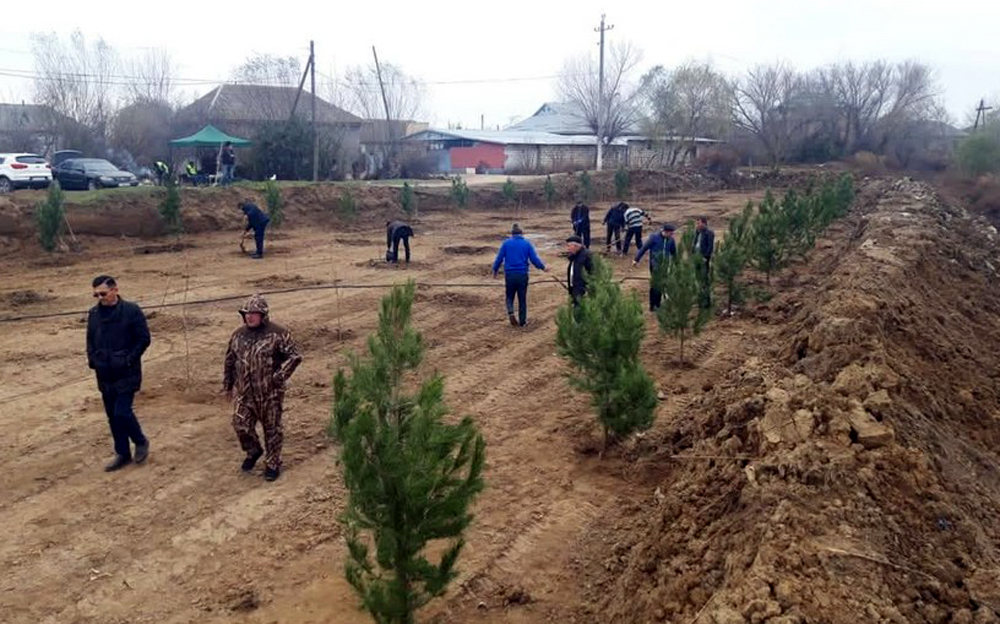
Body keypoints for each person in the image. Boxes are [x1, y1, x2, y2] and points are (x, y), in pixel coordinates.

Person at [223, 295, 302, 482]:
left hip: (270, 394)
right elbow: (230, 360)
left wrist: (280, 377)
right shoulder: (238, 335)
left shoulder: (278, 333)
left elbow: (295, 356)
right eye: (246, 314)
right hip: (245, 393)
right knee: (240, 425)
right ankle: (253, 451)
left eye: (254, 314)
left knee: (272, 430)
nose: (249, 317)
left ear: (263, 315)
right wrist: (228, 385)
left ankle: (273, 463)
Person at [86, 275, 151, 472]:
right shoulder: (94, 313)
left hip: (126, 371)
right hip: (104, 372)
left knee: (122, 412)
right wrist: (93, 360)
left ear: (115, 290)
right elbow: (90, 338)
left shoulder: (131, 311)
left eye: (103, 293)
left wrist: (129, 359)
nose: (100, 297)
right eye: (96, 294)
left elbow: (143, 339)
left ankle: (140, 441)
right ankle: (122, 453)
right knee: (112, 417)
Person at [492, 223, 547, 327]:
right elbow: (534, 259)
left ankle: (511, 312)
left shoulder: (506, 243)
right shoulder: (527, 244)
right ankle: (523, 322)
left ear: (512, 234)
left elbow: (499, 258)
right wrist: (543, 267)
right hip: (522, 274)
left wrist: (495, 270)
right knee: (522, 298)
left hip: (510, 274)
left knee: (509, 295)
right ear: (522, 234)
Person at [633, 223, 677, 311]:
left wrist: (677, 263)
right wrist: (636, 259)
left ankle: (658, 304)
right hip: (655, 265)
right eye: (670, 233)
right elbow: (644, 248)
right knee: (655, 285)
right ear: (665, 231)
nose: (672, 235)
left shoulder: (671, 240)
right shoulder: (654, 238)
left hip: (665, 265)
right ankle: (653, 305)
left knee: (661, 285)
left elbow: (674, 252)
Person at [565, 234, 594, 306]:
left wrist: (589, 289)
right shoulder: (574, 256)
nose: (567, 248)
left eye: (569, 246)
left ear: (576, 246)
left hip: (582, 290)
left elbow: (593, 272)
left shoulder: (587, 256)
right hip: (574, 288)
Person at [694, 216, 715, 308]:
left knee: (704, 280)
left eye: (698, 223)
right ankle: (700, 300)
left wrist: (705, 257)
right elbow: (695, 244)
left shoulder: (709, 233)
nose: (697, 225)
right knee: (698, 279)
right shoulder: (697, 233)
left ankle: (706, 302)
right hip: (696, 258)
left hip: (703, 259)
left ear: (704, 223)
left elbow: (710, 247)